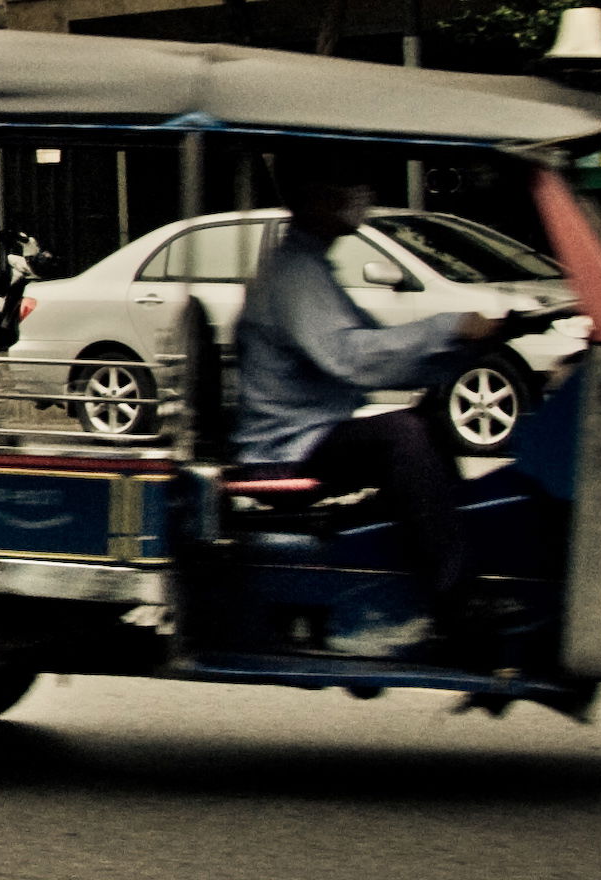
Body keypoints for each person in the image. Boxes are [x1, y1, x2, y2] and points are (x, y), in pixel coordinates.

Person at [233, 155, 561, 649]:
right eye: (348, 181)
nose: (361, 192)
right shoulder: (294, 275)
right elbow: (354, 358)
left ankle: (451, 570)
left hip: (311, 433)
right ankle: (458, 601)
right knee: (401, 434)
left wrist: (472, 342)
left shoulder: (310, 266)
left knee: (422, 425)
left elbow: (377, 352)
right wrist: (450, 328)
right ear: (312, 195)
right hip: (286, 450)